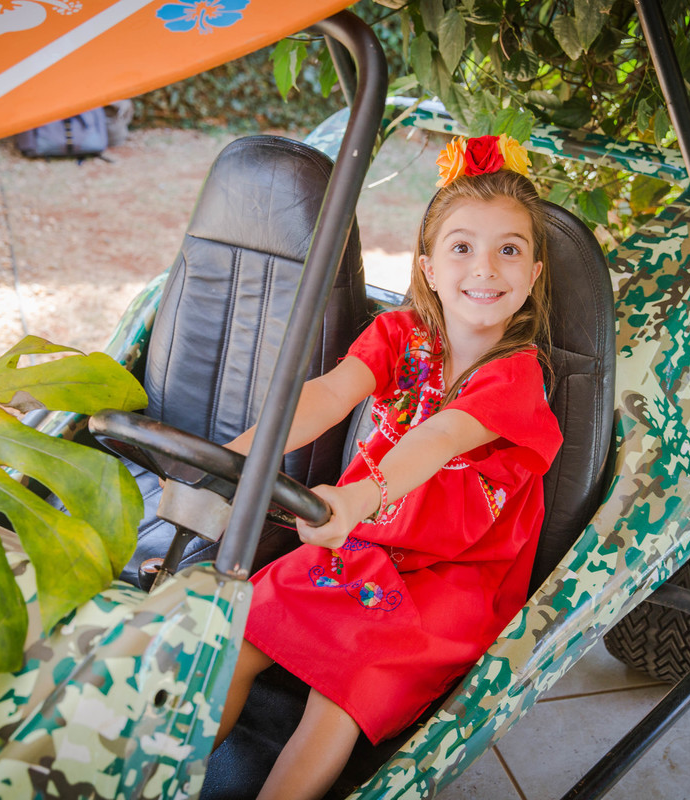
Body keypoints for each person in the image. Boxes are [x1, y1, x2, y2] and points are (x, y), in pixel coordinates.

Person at [217, 133, 564, 800]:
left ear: (533, 274)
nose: (485, 268)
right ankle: (160, 778)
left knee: (343, 688)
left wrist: (355, 499)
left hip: (453, 577)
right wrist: (241, 458)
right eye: (461, 247)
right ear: (428, 267)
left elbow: (438, 438)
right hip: (365, 542)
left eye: (509, 250)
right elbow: (329, 395)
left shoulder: (517, 376)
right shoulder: (398, 336)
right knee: (233, 635)